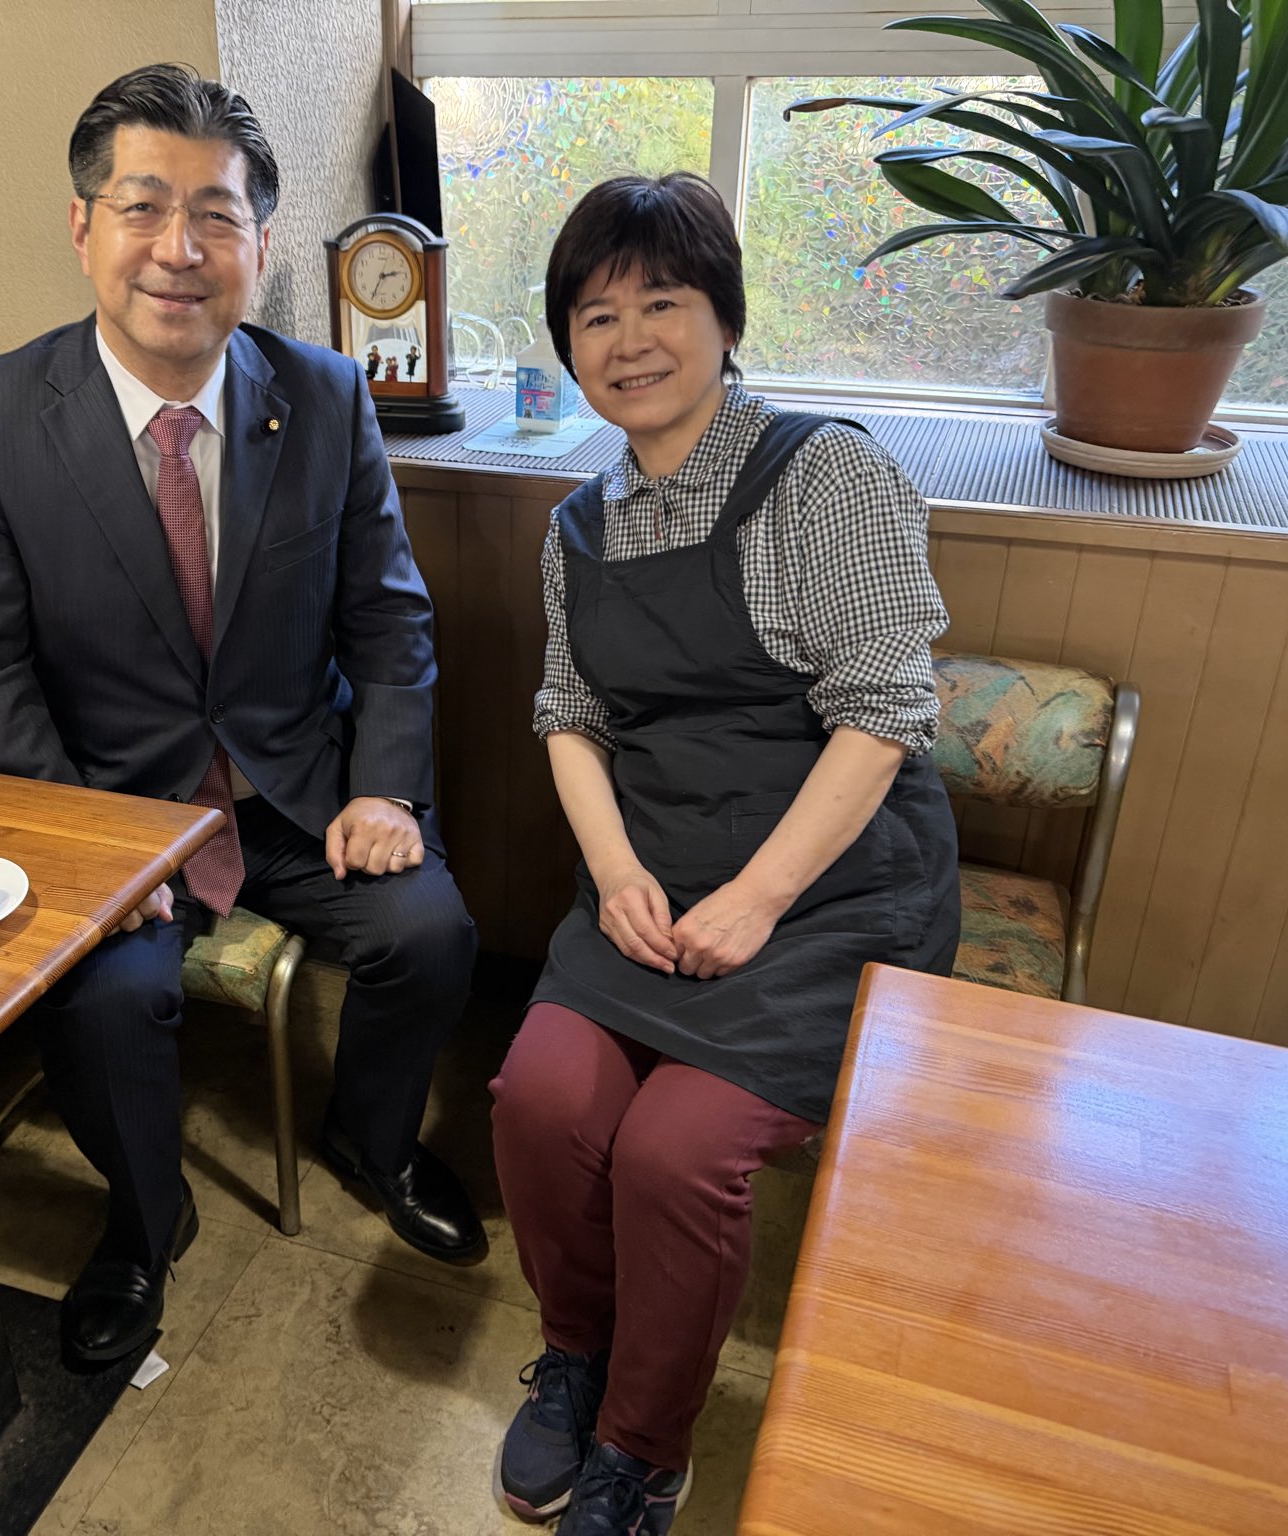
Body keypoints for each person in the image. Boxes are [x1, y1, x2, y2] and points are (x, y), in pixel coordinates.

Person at [0, 63, 485, 1376]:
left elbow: (390, 624)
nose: (179, 250)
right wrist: (93, 855)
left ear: (262, 243)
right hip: (113, 805)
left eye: (217, 216)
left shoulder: (327, 398)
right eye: (142, 208)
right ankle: (140, 1216)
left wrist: (385, 788)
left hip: (297, 791)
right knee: (107, 1004)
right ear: (82, 228)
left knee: (433, 933)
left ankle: (373, 1135)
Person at [489, 172, 958, 1534]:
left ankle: (645, 1441)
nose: (628, 339)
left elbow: (884, 718)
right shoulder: (578, 527)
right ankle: (578, 1359)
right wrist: (619, 874)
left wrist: (757, 899)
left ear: (725, 317)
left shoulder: (828, 474)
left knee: (675, 1151)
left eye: (662, 302)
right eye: (594, 313)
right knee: (540, 1098)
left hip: (827, 888)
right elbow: (569, 719)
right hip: (657, 871)